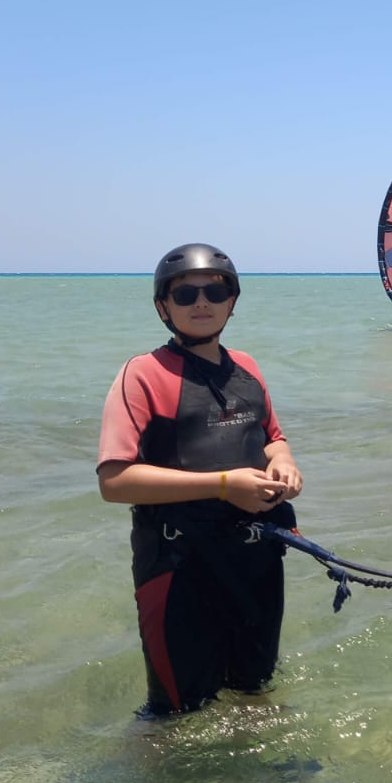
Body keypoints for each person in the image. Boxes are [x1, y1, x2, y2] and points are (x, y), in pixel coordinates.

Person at [97, 243, 303, 718]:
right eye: (186, 294)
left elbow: (272, 437)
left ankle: (252, 768)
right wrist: (224, 485)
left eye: (215, 291)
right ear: (163, 307)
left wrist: (285, 463)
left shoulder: (247, 367)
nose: (202, 303)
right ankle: (165, 770)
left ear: (233, 301)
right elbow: (114, 480)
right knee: (176, 710)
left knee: (255, 690)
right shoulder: (142, 374)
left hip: (255, 559)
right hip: (178, 566)